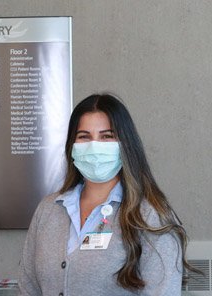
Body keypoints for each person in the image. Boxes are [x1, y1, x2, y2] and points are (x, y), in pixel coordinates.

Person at [18, 93, 195, 296]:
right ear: (72, 147)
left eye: (106, 136)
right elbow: (27, 287)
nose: (94, 146)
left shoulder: (150, 217)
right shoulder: (48, 209)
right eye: (84, 136)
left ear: (125, 144)